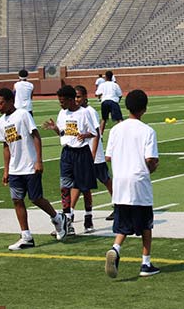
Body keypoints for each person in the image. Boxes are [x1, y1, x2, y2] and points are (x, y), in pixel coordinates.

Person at [0, 88, 68, 250]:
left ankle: (57, 218)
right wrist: (6, 170)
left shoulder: (23, 115)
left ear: (10, 101)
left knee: (36, 198)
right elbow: (6, 146)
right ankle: (26, 236)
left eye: (0, 102)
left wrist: (38, 160)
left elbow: (35, 136)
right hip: (15, 168)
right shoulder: (0, 123)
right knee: (17, 200)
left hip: (30, 165)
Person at [104, 89, 160, 279]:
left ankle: (116, 247)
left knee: (123, 223)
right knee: (145, 224)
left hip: (119, 182)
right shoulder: (148, 131)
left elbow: (108, 156)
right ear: (144, 108)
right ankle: (145, 263)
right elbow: (150, 159)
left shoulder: (115, 129)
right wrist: (153, 167)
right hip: (138, 181)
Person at [43, 85, 97, 235]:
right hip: (67, 153)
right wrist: (54, 128)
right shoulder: (62, 113)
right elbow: (63, 133)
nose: (61, 104)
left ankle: (88, 217)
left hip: (82, 153)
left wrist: (84, 135)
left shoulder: (84, 113)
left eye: (62, 101)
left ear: (70, 99)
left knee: (85, 187)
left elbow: (94, 132)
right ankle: (67, 222)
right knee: (65, 186)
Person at [70, 85, 114, 232]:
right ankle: (69, 214)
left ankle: (118, 204)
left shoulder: (90, 112)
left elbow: (96, 134)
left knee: (105, 179)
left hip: (94, 155)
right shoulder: (74, 112)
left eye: (79, 96)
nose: (77, 100)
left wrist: (93, 155)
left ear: (85, 97)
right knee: (78, 184)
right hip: (81, 155)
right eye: (75, 97)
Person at [95, 71, 123, 136]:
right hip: (113, 101)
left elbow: (97, 94)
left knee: (104, 119)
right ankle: (122, 133)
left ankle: (100, 135)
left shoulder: (102, 85)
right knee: (119, 119)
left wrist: (101, 96)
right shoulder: (115, 85)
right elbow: (120, 95)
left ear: (106, 77)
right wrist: (118, 101)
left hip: (104, 101)